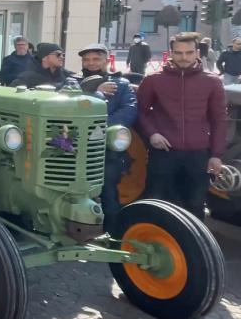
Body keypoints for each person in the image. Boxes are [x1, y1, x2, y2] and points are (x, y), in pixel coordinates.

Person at [136, 32, 227, 219]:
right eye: (178, 53)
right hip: (164, 152)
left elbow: (219, 120)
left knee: (195, 204)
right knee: (157, 202)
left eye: (188, 52)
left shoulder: (212, 82)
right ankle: (152, 242)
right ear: (171, 53)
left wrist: (216, 155)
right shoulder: (154, 80)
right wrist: (152, 133)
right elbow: (140, 111)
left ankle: (192, 246)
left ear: (197, 53)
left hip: (198, 153)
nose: (183, 57)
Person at [78, 44, 138, 229]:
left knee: (108, 193)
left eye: (96, 59)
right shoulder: (73, 83)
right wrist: (93, 89)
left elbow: (129, 111)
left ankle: (111, 234)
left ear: (106, 60)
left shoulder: (121, 85)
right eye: (86, 60)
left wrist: (99, 127)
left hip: (106, 151)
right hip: (75, 150)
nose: (91, 63)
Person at [11, 42, 77, 89]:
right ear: (44, 57)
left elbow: (81, 80)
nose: (62, 57)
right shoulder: (27, 77)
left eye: (63, 54)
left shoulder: (65, 74)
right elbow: (11, 93)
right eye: (58, 54)